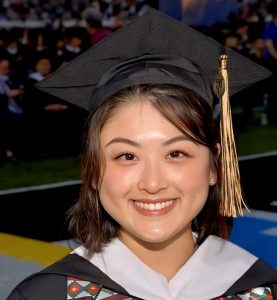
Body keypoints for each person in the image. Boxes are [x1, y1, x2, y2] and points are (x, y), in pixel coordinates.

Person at [8, 9, 277, 300]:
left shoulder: (260, 291)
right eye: (126, 156)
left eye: (176, 153)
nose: (152, 183)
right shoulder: (46, 296)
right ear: (93, 169)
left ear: (214, 165)